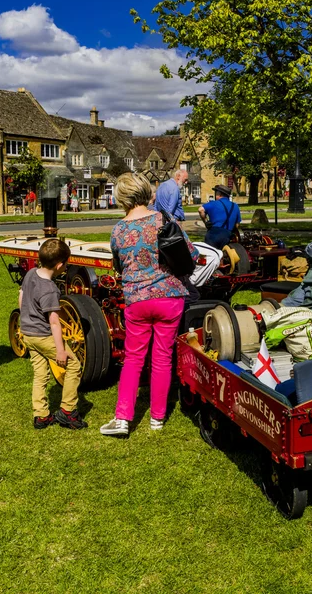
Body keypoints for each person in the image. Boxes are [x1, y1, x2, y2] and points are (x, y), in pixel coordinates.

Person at [100, 172, 199, 437]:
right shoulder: (163, 220)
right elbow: (192, 254)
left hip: (137, 300)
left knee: (133, 359)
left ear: (121, 197)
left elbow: (118, 266)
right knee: (163, 358)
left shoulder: (118, 230)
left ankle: (122, 418)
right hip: (169, 297)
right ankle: (157, 417)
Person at [19, 239, 87, 430]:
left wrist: (25, 320)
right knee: (74, 365)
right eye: (66, 263)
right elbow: (55, 322)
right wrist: (60, 350)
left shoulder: (31, 273)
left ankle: (41, 415)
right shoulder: (50, 290)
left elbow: (21, 297)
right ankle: (67, 411)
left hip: (27, 333)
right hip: (43, 336)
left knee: (40, 374)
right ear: (60, 266)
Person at [198, 184, 241, 249]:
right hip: (227, 234)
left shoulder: (213, 203)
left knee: (210, 254)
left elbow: (200, 210)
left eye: (216, 193)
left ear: (220, 195)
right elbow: (237, 224)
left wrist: (206, 222)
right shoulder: (235, 206)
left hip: (213, 234)